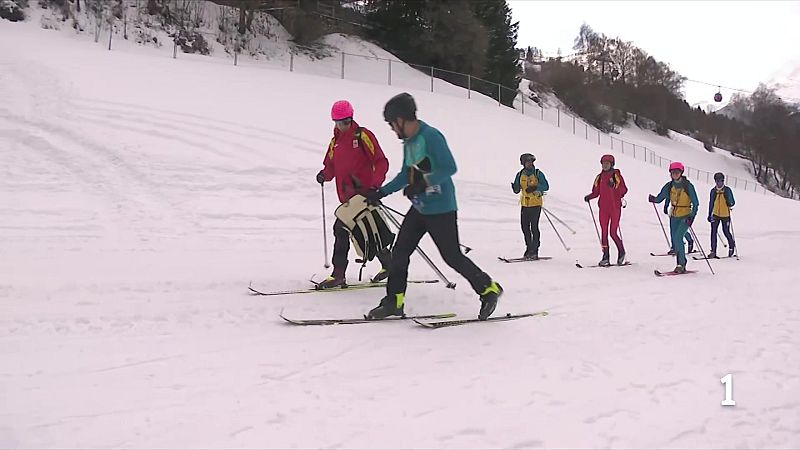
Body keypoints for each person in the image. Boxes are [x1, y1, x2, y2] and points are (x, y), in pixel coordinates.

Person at [363, 93, 503, 320]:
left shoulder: (431, 136)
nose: (391, 129)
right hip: (420, 208)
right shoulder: (409, 143)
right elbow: (404, 174)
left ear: (401, 119)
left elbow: (449, 168)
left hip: (441, 209)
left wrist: (422, 183)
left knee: (452, 256)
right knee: (400, 252)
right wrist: (381, 192)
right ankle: (394, 301)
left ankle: (489, 289)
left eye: (391, 124)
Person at [315, 100, 391, 288]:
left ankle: (338, 274)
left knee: (341, 229)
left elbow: (381, 162)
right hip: (348, 199)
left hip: (365, 195)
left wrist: (375, 186)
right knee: (371, 231)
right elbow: (331, 166)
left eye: (346, 121)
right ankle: (390, 266)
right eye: (339, 122)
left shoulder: (363, 135)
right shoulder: (335, 143)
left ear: (352, 119)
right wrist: (324, 175)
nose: (343, 126)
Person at [648, 162, 699, 273]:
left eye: (677, 172)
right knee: (675, 240)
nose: (675, 174)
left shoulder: (688, 186)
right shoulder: (669, 186)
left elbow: (696, 202)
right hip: (674, 216)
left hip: (685, 216)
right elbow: (661, 197)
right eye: (673, 172)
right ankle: (680, 262)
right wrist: (654, 199)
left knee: (678, 238)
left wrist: (692, 216)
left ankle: (681, 264)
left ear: (681, 173)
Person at [584, 154, 628, 266]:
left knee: (613, 232)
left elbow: (623, 190)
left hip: (615, 208)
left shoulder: (616, 175)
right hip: (603, 208)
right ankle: (605, 256)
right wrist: (590, 196)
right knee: (603, 233)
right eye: (603, 163)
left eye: (607, 163)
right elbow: (596, 192)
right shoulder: (599, 177)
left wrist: (614, 186)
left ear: (612, 164)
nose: (605, 165)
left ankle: (621, 251)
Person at [511, 153, 550, 259]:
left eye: (531, 161)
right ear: (523, 163)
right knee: (525, 227)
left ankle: (535, 250)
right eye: (528, 162)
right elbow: (517, 188)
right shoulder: (520, 174)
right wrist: (515, 188)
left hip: (535, 204)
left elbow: (546, 186)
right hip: (525, 204)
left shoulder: (538, 173)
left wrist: (535, 187)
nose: (530, 164)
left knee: (534, 227)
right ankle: (529, 248)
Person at [707, 172, 736, 258]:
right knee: (713, 232)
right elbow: (711, 203)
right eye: (718, 181)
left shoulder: (727, 190)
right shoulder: (713, 191)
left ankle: (731, 246)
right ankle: (713, 251)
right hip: (715, 214)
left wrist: (729, 202)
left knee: (726, 231)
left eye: (722, 181)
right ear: (715, 181)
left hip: (725, 215)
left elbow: (732, 202)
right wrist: (709, 214)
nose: (720, 183)